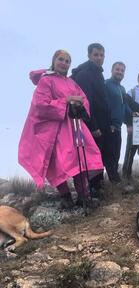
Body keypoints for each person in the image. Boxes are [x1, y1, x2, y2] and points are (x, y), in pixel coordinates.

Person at [19, 50, 103, 209]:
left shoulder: (71, 82)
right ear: (54, 60)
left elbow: (83, 99)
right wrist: (67, 100)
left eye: (67, 61)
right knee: (58, 162)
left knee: (81, 159)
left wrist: (79, 104)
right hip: (56, 130)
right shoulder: (46, 81)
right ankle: (65, 197)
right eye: (61, 59)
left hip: (75, 127)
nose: (64, 63)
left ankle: (83, 195)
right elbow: (40, 104)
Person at [71, 43, 108, 197]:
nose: (99, 58)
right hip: (90, 125)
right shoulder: (85, 74)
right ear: (89, 55)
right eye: (96, 55)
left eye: (101, 55)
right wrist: (93, 126)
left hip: (99, 123)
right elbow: (87, 102)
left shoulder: (97, 73)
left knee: (97, 155)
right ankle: (91, 190)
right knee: (91, 156)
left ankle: (97, 187)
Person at [104, 62, 127, 183]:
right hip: (109, 126)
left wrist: (131, 116)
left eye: (122, 70)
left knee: (117, 154)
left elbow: (124, 106)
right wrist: (109, 123)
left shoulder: (122, 88)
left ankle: (114, 179)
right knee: (110, 155)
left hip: (118, 126)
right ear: (112, 70)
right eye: (117, 69)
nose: (120, 72)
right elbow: (103, 105)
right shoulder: (106, 84)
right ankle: (114, 181)